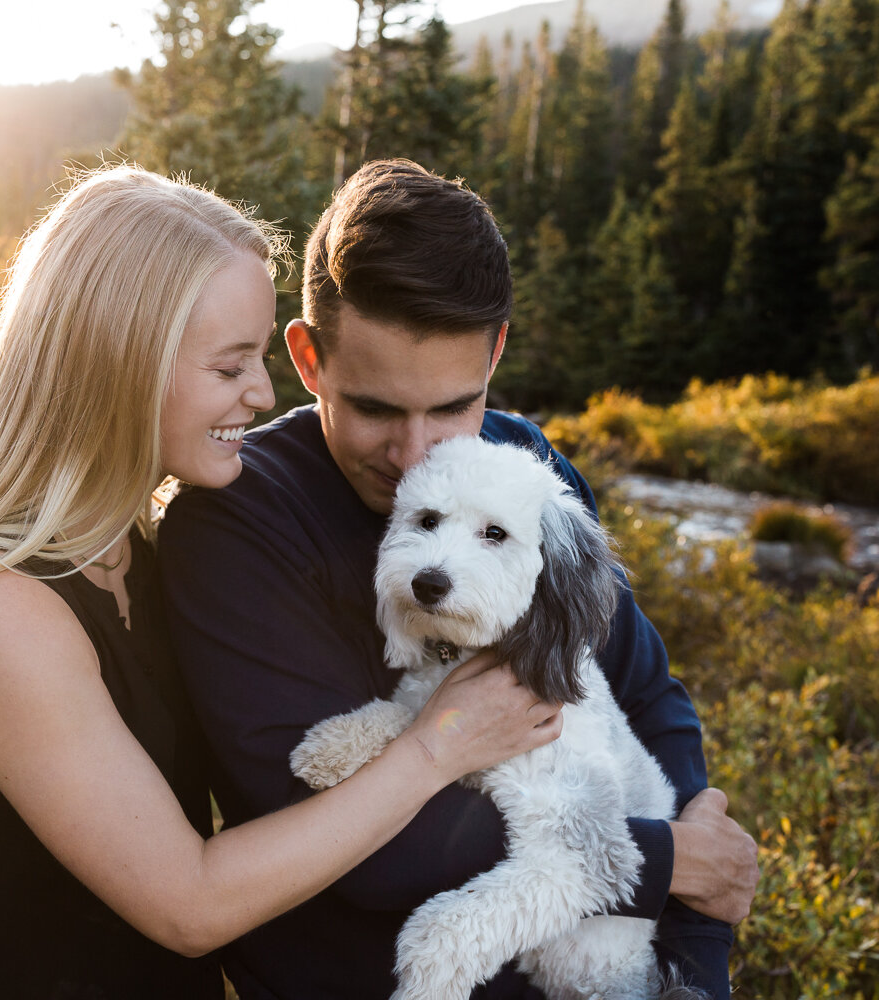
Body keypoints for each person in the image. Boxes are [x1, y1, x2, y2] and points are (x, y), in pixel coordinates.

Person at [0, 165, 567, 998]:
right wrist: (438, 745)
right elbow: (189, 902)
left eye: (258, 359)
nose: (262, 393)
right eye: (229, 367)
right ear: (121, 366)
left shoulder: (128, 555)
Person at [158, 159, 760, 1000]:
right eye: (373, 408)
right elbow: (358, 849)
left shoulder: (522, 467)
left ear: (497, 350)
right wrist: (662, 861)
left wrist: (693, 959)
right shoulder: (236, 525)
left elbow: (647, 695)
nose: (415, 455)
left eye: (451, 406)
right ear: (307, 356)